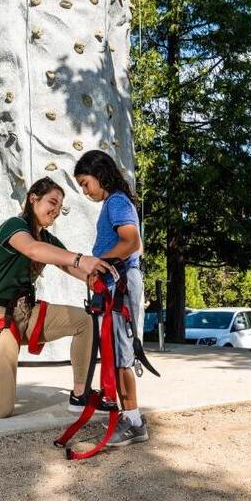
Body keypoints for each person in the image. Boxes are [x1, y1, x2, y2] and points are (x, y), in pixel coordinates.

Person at [0, 177, 113, 418]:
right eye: (52, 202)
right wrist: (80, 259)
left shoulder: (47, 239)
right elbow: (34, 250)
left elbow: (67, 264)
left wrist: (96, 280)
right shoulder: (14, 226)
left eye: (60, 206)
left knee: (84, 321)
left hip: (28, 313)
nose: (56, 211)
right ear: (33, 198)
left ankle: (80, 395)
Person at [74, 150, 148, 447]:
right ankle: (129, 417)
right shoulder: (113, 203)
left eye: (85, 183)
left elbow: (131, 242)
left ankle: (134, 422)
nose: (85, 191)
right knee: (115, 354)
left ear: (100, 174)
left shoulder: (116, 202)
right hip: (115, 286)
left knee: (121, 356)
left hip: (122, 286)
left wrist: (97, 262)